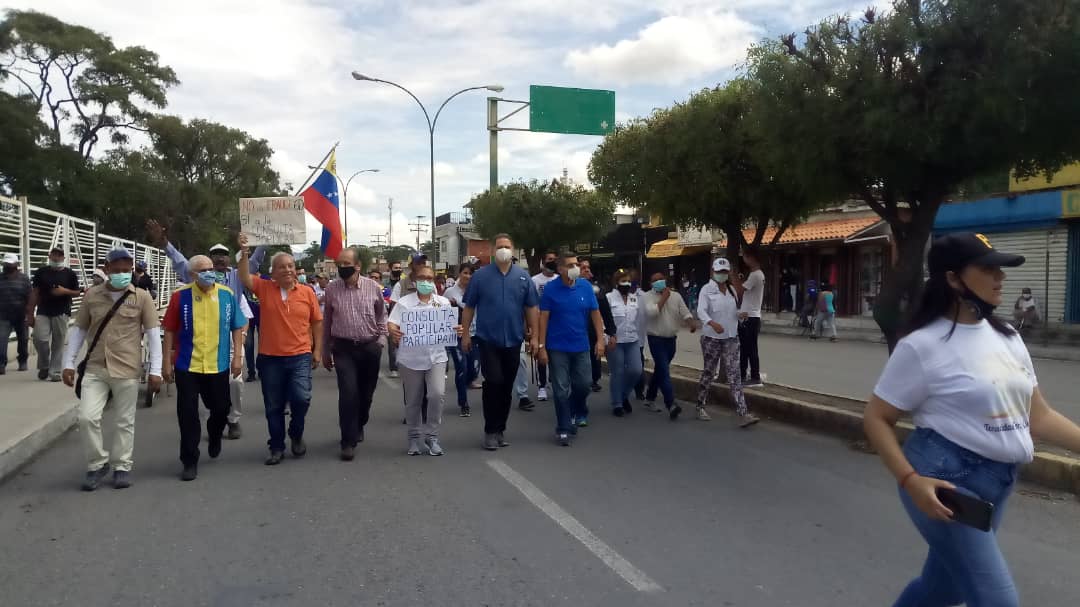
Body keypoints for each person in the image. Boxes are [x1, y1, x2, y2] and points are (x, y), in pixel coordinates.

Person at [863, 232, 1080, 606]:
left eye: (1001, 268)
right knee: (999, 601)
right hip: (944, 480)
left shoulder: (1008, 336)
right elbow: (876, 417)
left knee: (941, 590)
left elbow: (1038, 416)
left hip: (999, 480)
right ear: (952, 278)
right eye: (988, 268)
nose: (1001, 278)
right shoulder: (922, 345)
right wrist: (910, 480)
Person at [61, 248, 162, 491]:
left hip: (127, 367)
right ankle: (97, 463)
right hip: (96, 367)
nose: (122, 275)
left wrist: (155, 369)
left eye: (126, 271)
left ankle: (121, 466)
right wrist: (68, 362)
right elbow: (80, 330)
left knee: (124, 421)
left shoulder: (141, 297)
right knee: (86, 418)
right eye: (116, 271)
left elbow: (152, 334)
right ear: (106, 270)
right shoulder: (92, 296)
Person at [237, 234, 323, 466]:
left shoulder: (307, 293)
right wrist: (244, 251)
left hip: (300, 356)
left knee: (302, 399)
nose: (287, 270)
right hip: (270, 359)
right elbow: (244, 276)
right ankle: (276, 446)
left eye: (290, 266)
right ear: (272, 272)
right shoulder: (264, 288)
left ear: (296, 269)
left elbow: (317, 322)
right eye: (281, 267)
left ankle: (296, 433)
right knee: (273, 406)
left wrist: (317, 351)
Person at [161, 255, 246, 481]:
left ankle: (215, 433)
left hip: (217, 365)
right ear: (192, 275)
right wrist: (165, 361)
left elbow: (237, 327)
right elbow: (169, 329)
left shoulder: (227, 294)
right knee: (187, 414)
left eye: (211, 268)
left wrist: (237, 356)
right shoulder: (181, 296)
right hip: (187, 365)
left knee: (220, 409)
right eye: (204, 270)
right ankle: (189, 460)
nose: (210, 272)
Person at [460, 233, 540, 451]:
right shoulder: (480, 276)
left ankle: (500, 429)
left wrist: (535, 337)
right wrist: (465, 334)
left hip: (513, 340)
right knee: (493, 382)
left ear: (513, 250)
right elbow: (469, 307)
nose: (503, 249)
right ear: (493, 251)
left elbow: (532, 307)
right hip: (488, 339)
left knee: (506, 387)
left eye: (507, 246)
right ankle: (490, 430)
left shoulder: (523, 277)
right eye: (499, 246)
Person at [388, 263, 462, 455]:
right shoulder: (405, 303)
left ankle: (432, 436)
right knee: (413, 400)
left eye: (430, 279)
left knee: (437, 395)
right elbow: (391, 323)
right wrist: (393, 332)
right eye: (422, 278)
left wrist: (457, 330)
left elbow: (451, 326)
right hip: (410, 359)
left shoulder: (443, 303)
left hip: (437, 357)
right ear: (414, 281)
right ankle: (413, 437)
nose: (427, 282)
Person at [322, 247, 386, 461]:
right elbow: (327, 321)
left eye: (346, 264)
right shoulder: (332, 289)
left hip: (369, 347)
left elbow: (382, 317)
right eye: (339, 264)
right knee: (348, 393)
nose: (342, 268)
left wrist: (381, 342)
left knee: (366, 395)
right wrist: (324, 349)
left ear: (357, 266)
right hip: (343, 348)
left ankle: (359, 424)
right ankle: (347, 441)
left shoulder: (373, 287)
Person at [537, 252, 605, 446]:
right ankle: (563, 427)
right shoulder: (551, 289)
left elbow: (595, 314)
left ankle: (576, 409)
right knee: (560, 389)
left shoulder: (585, 287)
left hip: (581, 345)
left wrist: (600, 340)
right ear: (560, 269)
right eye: (570, 265)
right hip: (557, 347)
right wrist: (541, 347)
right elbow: (543, 318)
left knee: (584, 384)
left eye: (576, 264)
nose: (575, 268)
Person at [696, 258, 759, 427]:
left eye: (725, 272)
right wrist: (711, 323)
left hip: (731, 337)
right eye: (719, 272)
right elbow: (700, 310)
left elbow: (732, 311)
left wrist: (740, 314)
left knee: (734, 374)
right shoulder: (706, 290)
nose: (722, 275)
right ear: (713, 272)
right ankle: (700, 404)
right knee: (709, 372)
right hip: (711, 338)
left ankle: (743, 412)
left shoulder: (731, 290)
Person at [642, 271, 696, 417]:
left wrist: (691, 323)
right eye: (655, 280)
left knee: (660, 370)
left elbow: (685, 312)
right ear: (651, 284)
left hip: (671, 339)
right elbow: (652, 313)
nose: (659, 281)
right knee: (664, 370)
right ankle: (671, 403)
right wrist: (664, 298)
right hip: (656, 339)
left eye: (661, 279)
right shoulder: (646, 296)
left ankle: (650, 397)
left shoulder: (676, 296)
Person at [29, 247, 81, 382]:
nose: (56, 258)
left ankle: (55, 371)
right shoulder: (41, 272)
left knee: (58, 343)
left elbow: (77, 292)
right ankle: (44, 365)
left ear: (63, 258)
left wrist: (64, 291)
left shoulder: (70, 274)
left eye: (59, 256)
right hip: (43, 310)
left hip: (62, 311)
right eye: (54, 255)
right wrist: (30, 313)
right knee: (39, 338)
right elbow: (35, 292)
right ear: (49, 256)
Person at [606, 270, 646, 418]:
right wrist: (606, 337)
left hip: (632, 339)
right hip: (615, 340)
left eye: (629, 281)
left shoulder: (634, 299)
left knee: (636, 370)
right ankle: (617, 403)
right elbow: (604, 320)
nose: (627, 284)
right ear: (616, 283)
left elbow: (638, 321)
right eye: (623, 281)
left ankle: (623, 395)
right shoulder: (609, 298)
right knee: (618, 372)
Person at [444, 263, 480, 417]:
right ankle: (463, 402)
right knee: (461, 368)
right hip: (457, 335)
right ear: (459, 273)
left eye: (471, 273)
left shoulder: (477, 290)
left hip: (475, 334)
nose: (468, 276)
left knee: (474, 369)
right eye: (465, 273)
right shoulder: (449, 292)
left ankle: (469, 380)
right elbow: (443, 313)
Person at [580, 259, 616, 397]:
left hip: (593, 331)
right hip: (575, 333)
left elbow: (606, 312)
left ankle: (593, 379)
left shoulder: (596, 290)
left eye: (588, 268)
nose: (587, 270)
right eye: (583, 268)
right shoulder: (568, 287)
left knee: (594, 357)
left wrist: (611, 331)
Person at [531, 250, 559, 402]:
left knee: (556, 354)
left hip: (557, 322)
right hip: (541, 322)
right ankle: (542, 385)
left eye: (554, 259)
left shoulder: (559, 279)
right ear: (543, 262)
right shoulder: (535, 280)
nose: (552, 262)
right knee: (541, 353)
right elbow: (531, 304)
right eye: (549, 259)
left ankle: (556, 381)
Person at [737, 249, 765, 387]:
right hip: (749, 316)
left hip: (750, 317)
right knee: (745, 348)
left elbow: (740, 291)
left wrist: (733, 278)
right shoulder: (756, 275)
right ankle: (743, 374)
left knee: (750, 348)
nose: (744, 259)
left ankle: (754, 376)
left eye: (745, 256)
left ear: (752, 258)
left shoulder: (755, 275)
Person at [0, 253, 32, 374]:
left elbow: (30, 296)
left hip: (20, 315)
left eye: (10, 263)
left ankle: (23, 361)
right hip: (3, 315)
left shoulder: (24, 279)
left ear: (16, 265)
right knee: (1, 340)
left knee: (23, 340)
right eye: (6, 263)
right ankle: (1, 364)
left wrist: (29, 314)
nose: (7, 265)